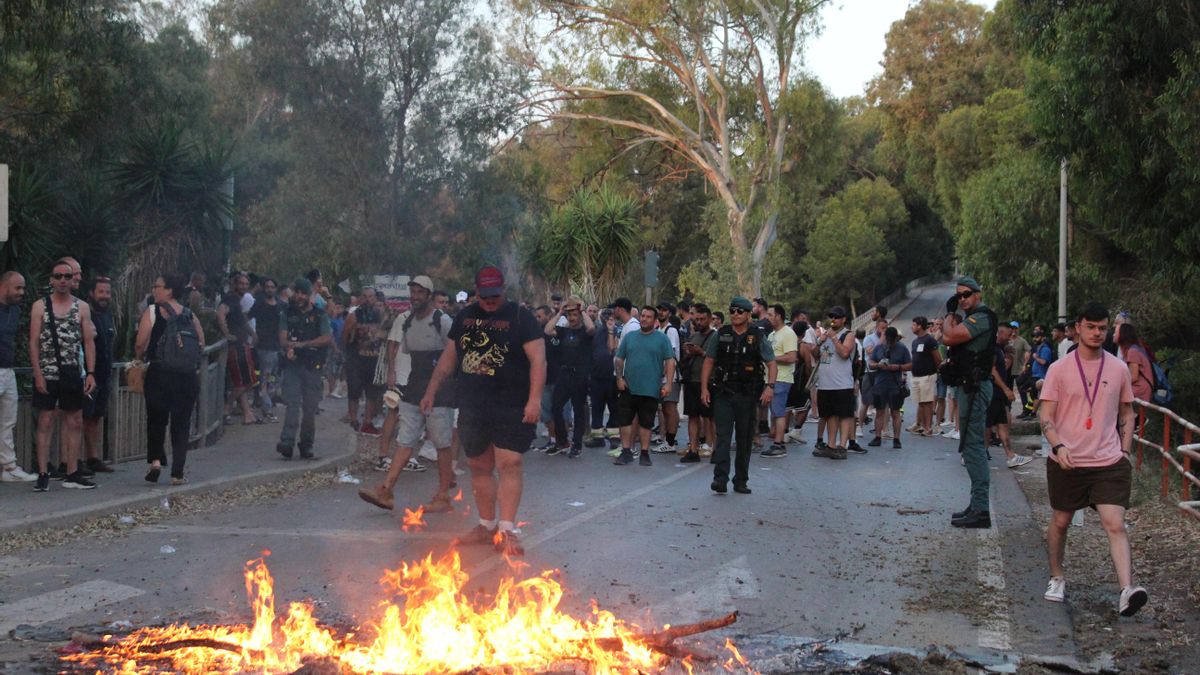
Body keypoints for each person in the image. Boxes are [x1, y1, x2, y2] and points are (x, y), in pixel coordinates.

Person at [420, 265, 545, 556]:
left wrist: (535, 400)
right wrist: (430, 391)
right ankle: (487, 526)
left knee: (510, 463)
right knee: (479, 466)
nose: (490, 301)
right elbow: (449, 359)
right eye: (485, 296)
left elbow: (539, 361)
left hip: (512, 404)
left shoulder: (520, 317)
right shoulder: (465, 317)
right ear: (477, 292)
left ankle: (508, 529)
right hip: (473, 404)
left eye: (495, 295)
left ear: (503, 290)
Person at [1039, 301, 1147, 617]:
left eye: (1102, 328)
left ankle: (1127, 590)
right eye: (1091, 327)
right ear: (1078, 328)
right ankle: (1057, 576)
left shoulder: (1118, 368)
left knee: (1115, 523)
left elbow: (1127, 411)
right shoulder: (1059, 368)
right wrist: (1058, 447)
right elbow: (1046, 414)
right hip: (1067, 460)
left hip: (1108, 460)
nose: (1097, 333)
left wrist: (1125, 452)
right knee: (1061, 521)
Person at [360, 275, 456, 511]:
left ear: (430, 296)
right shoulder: (407, 322)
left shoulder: (443, 322)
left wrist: (439, 387)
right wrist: (394, 374)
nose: (415, 297)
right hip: (413, 387)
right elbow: (405, 352)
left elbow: (453, 355)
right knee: (405, 439)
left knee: (442, 443)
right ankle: (386, 490)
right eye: (412, 292)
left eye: (420, 292)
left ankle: (443, 496)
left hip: (441, 391)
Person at [29, 261, 98, 491]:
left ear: (72, 280)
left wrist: (90, 372)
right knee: (46, 420)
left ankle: (72, 471)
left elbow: (88, 342)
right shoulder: (40, 306)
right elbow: (34, 342)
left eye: (66, 276)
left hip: (71, 370)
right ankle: (42, 472)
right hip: (48, 370)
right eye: (57, 276)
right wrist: (37, 372)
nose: (62, 281)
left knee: (75, 419)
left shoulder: (82, 308)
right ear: (51, 279)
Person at [134, 274, 204, 485]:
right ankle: (177, 473)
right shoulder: (190, 315)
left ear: (169, 290)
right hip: (186, 376)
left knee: (156, 419)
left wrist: (138, 360)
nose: (154, 290)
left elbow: (140, 343)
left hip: (159, 373)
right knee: (181, 424)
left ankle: (155, 461)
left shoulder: (153, 311)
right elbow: (201, 343)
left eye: (157, 286)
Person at [702, 296, 777, 493]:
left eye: (739, 311)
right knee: (723, 436)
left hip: (747, 395)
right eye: (732, 311)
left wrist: (770, 387)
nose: (735, 314)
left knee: (744, 439)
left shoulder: (758, 336)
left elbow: (771, 363)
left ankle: (741, 480)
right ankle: (720, 478)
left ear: (748, 314)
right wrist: (704, 388)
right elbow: (709, 361)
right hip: (724, 393)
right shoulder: (721, 334)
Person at [940, 276, 998, 528]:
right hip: (967, 386)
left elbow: (949, 337)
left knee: (973, 447)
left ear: (978, 294)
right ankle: (976, 505)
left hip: (975, 387)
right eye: (959, 295)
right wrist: (951, 315)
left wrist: (949, 315)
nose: (962, 299)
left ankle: (981, 510)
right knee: (969, 445)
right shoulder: (971, 318)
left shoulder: (982, 317)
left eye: (966, 294)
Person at [275, 278, 332, 460]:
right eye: (297, 292)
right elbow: (282, 338)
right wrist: (289, 347)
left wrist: (303, 344)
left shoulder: (319, 314)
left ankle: (306, 444)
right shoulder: (287, 313)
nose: (299, 296)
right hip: (293, 366)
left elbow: (326, 338)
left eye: (303, 293)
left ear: (309, 295)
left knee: (309, 409)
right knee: (291, 405)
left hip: (312, 366)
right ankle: (287, 442)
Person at [612, 306, 675, 466]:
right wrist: (619, 378)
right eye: (643, 316)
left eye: (648, 317)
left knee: (646, 422)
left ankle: (644, 453)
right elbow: (619, 358)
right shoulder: (630, 337)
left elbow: (669, 361)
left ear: (654, 321)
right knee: (625, 420)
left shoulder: (662, 339)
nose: (644, 319)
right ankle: (626, 451)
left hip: (650, 388)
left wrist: (668, 383)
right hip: (629, 386)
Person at [547, 295, 595, 458]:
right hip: (564, 373)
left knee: (578, 410)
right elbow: (547, 330)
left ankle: (577, 444)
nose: (572, 318)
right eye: (570, 315)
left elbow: (591, 328)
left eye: (575, 315)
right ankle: (562, 440)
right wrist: (560, 313)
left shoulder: (584, 332)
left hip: (580, 374)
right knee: (555, 407)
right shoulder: (563, 331)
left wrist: (583, 312)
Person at [0, 272, 35, 483]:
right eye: (17, 288)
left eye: (23, 288)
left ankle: (8, 466)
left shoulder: (15, 310)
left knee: (8, 421)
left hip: (8, 369)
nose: (21, 293)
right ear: (4, 287)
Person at [811, 306, 857, 460]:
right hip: (825, 384)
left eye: (837, 317)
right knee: (829, 415)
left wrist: (834, 338)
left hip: (842, 384)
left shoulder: (848, 335)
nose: (833, 319)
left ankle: (842, 446)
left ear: (844, 319)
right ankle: (831, 445)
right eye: (831, 316)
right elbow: (815, 354)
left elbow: (845, 353)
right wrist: (819, 341)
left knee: (844, 415)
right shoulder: (826, 335)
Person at [82, 276, 116, 474]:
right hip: (89, 374)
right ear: (92, 293)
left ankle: (93, 457)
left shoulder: (107, 314)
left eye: (107, 292)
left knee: (96, 416)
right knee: (83, 416)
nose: (104, 296)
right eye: (101, 292)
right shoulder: (86, 314)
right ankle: (75, 461)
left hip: (105, 374)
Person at [342, 286, 386, 433]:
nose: (367, 299)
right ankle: (353, 418)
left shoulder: (379, 315)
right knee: (354, 390)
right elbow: (345, 336)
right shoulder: (353, 316)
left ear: (374, 298)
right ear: (360, 298)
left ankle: (367, 421)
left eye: (370, 296)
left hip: (373, 358)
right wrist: (346, 355)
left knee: (372, 392)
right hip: (356, 359)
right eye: (365, 296)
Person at [218, 273, 260, 425]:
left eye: (245, 284)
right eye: (241, 283)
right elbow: (221, 313)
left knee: (241, 381)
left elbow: (242, 319)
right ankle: (227, 407)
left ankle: (248, 414)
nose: (243, 286)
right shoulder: (230, 298)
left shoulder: (237, 300)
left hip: (243, 343)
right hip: (236, 347)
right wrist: (227, 334)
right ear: (235, 284)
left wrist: (252, 334)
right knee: (248, 381)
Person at [988, 327, 1031, 469]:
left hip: (999, 394)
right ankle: (977, 454)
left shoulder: (1001, 349)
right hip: (992, 393)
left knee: (1002, 424)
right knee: (987, 426)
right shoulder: (993, 349)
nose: (1010, 337)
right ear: (1000, 333)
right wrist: (1006, 389)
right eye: (1008, 334)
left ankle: (1011, 456)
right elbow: (992, 371)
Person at [681, 303, 717, 462]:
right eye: (697, 319)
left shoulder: (716, 336)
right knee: (693, 416)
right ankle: (693, 450)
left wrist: (700, 352)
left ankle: (716, 449)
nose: (699, 322)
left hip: (709, 382)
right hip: (692, 381)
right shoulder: (694, 336)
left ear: (709, 318)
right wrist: (688, 351)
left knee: (711, 417)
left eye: (703, 319)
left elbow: (716, 359)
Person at [761, 304, 796, 458]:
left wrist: (771, 359)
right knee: (775, 412)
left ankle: (779, 444)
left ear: (779, 316)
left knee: (779, 412)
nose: (767, 318)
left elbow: (791, 357)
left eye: (770, 315)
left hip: (782, 378)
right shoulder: (772, 335)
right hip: (771, 378)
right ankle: (777, 440)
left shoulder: (788, 333)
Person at [867, 326, 911, 449]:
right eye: (889, 339)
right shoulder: (879, 348)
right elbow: (870, 363)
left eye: (892, 340)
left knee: (895, 412)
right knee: (880, 411)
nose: (890, 342)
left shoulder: (902, 348)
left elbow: (910, 364)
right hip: (880, 384)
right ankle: (877, 437)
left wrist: (898, 367)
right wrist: (878, 365)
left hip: (895, 385)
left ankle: (896, 439)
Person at [249, 278, 283, 422]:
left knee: (274, 379)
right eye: (267, 287)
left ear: (276, 289)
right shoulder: (259, 304)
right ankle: (267, 410)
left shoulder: (282, 306)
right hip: (264, 347)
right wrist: (253, 334)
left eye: (272, 287)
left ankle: (267, 405)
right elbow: (245, 318)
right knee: (265, 378)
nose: (270, 289)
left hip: (278, 347)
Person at [585, 307, 619, 449]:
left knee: (614, 408)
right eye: (604, 316)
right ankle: (597, 437)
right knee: (597, 407)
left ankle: (614, 437)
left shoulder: (617, 331)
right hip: (596, 376)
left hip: (611, 377)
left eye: (610, 316)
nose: (607, 318)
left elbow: (612, 349)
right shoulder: (596, 332)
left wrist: (611, 329)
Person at [908, 317, 941, 436]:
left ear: (920, 326)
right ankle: (920, 425)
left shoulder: (930, 340)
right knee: (920, 402)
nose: (911, 327)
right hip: (916, 376)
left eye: (913, 325)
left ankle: (928, 428)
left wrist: (936, 371)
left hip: (927, 375)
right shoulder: (915, 341)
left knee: (927, 402)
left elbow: (937, 358)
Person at [1115, 324, 1154, 403]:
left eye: (1116, 332)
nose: (1113, 334)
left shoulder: (1133, 351)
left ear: (1123, 334)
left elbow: (1133, 377)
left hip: (1139, 389)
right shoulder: (1135, 348)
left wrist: (1116, 384)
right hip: (1141, 388)